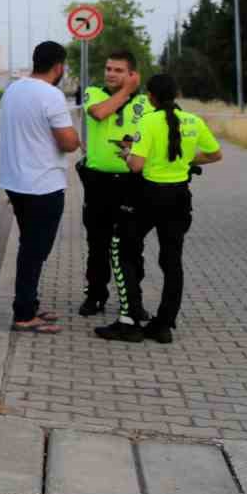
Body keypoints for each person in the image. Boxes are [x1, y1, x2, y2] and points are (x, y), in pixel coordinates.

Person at [97, 74, 222, 344]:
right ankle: (163, 325)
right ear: (176, 94)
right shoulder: (194, 121)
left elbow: (137, 165)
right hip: (179, 199)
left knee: (122, 250)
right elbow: (215, 154)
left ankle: (128, 322)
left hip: (148, 197)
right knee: (172, 261)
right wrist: (187, 160)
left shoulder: (148, 121)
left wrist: (127, 152)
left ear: (151, 97)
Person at [0, 41, 81, 333]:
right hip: (42, 185)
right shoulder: (51, 95)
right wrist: (77, 139)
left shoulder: (13, 90)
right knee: (35, 251)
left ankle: (29, 304)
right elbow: (68, 142)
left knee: (29, 247)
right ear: (59, 67)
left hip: (15, 183)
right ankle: (23, 315)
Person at [76, 51, 152, 318]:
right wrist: (125, 91)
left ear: (132, 74)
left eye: (119, 70)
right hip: (98, 182)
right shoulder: (94, 93)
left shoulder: (145, 102)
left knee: (132, 245)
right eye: (108, 68)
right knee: (97, 243)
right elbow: (98, 114)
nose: (110, 73)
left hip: (132, 182)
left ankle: (133, 301)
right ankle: (96, 296)